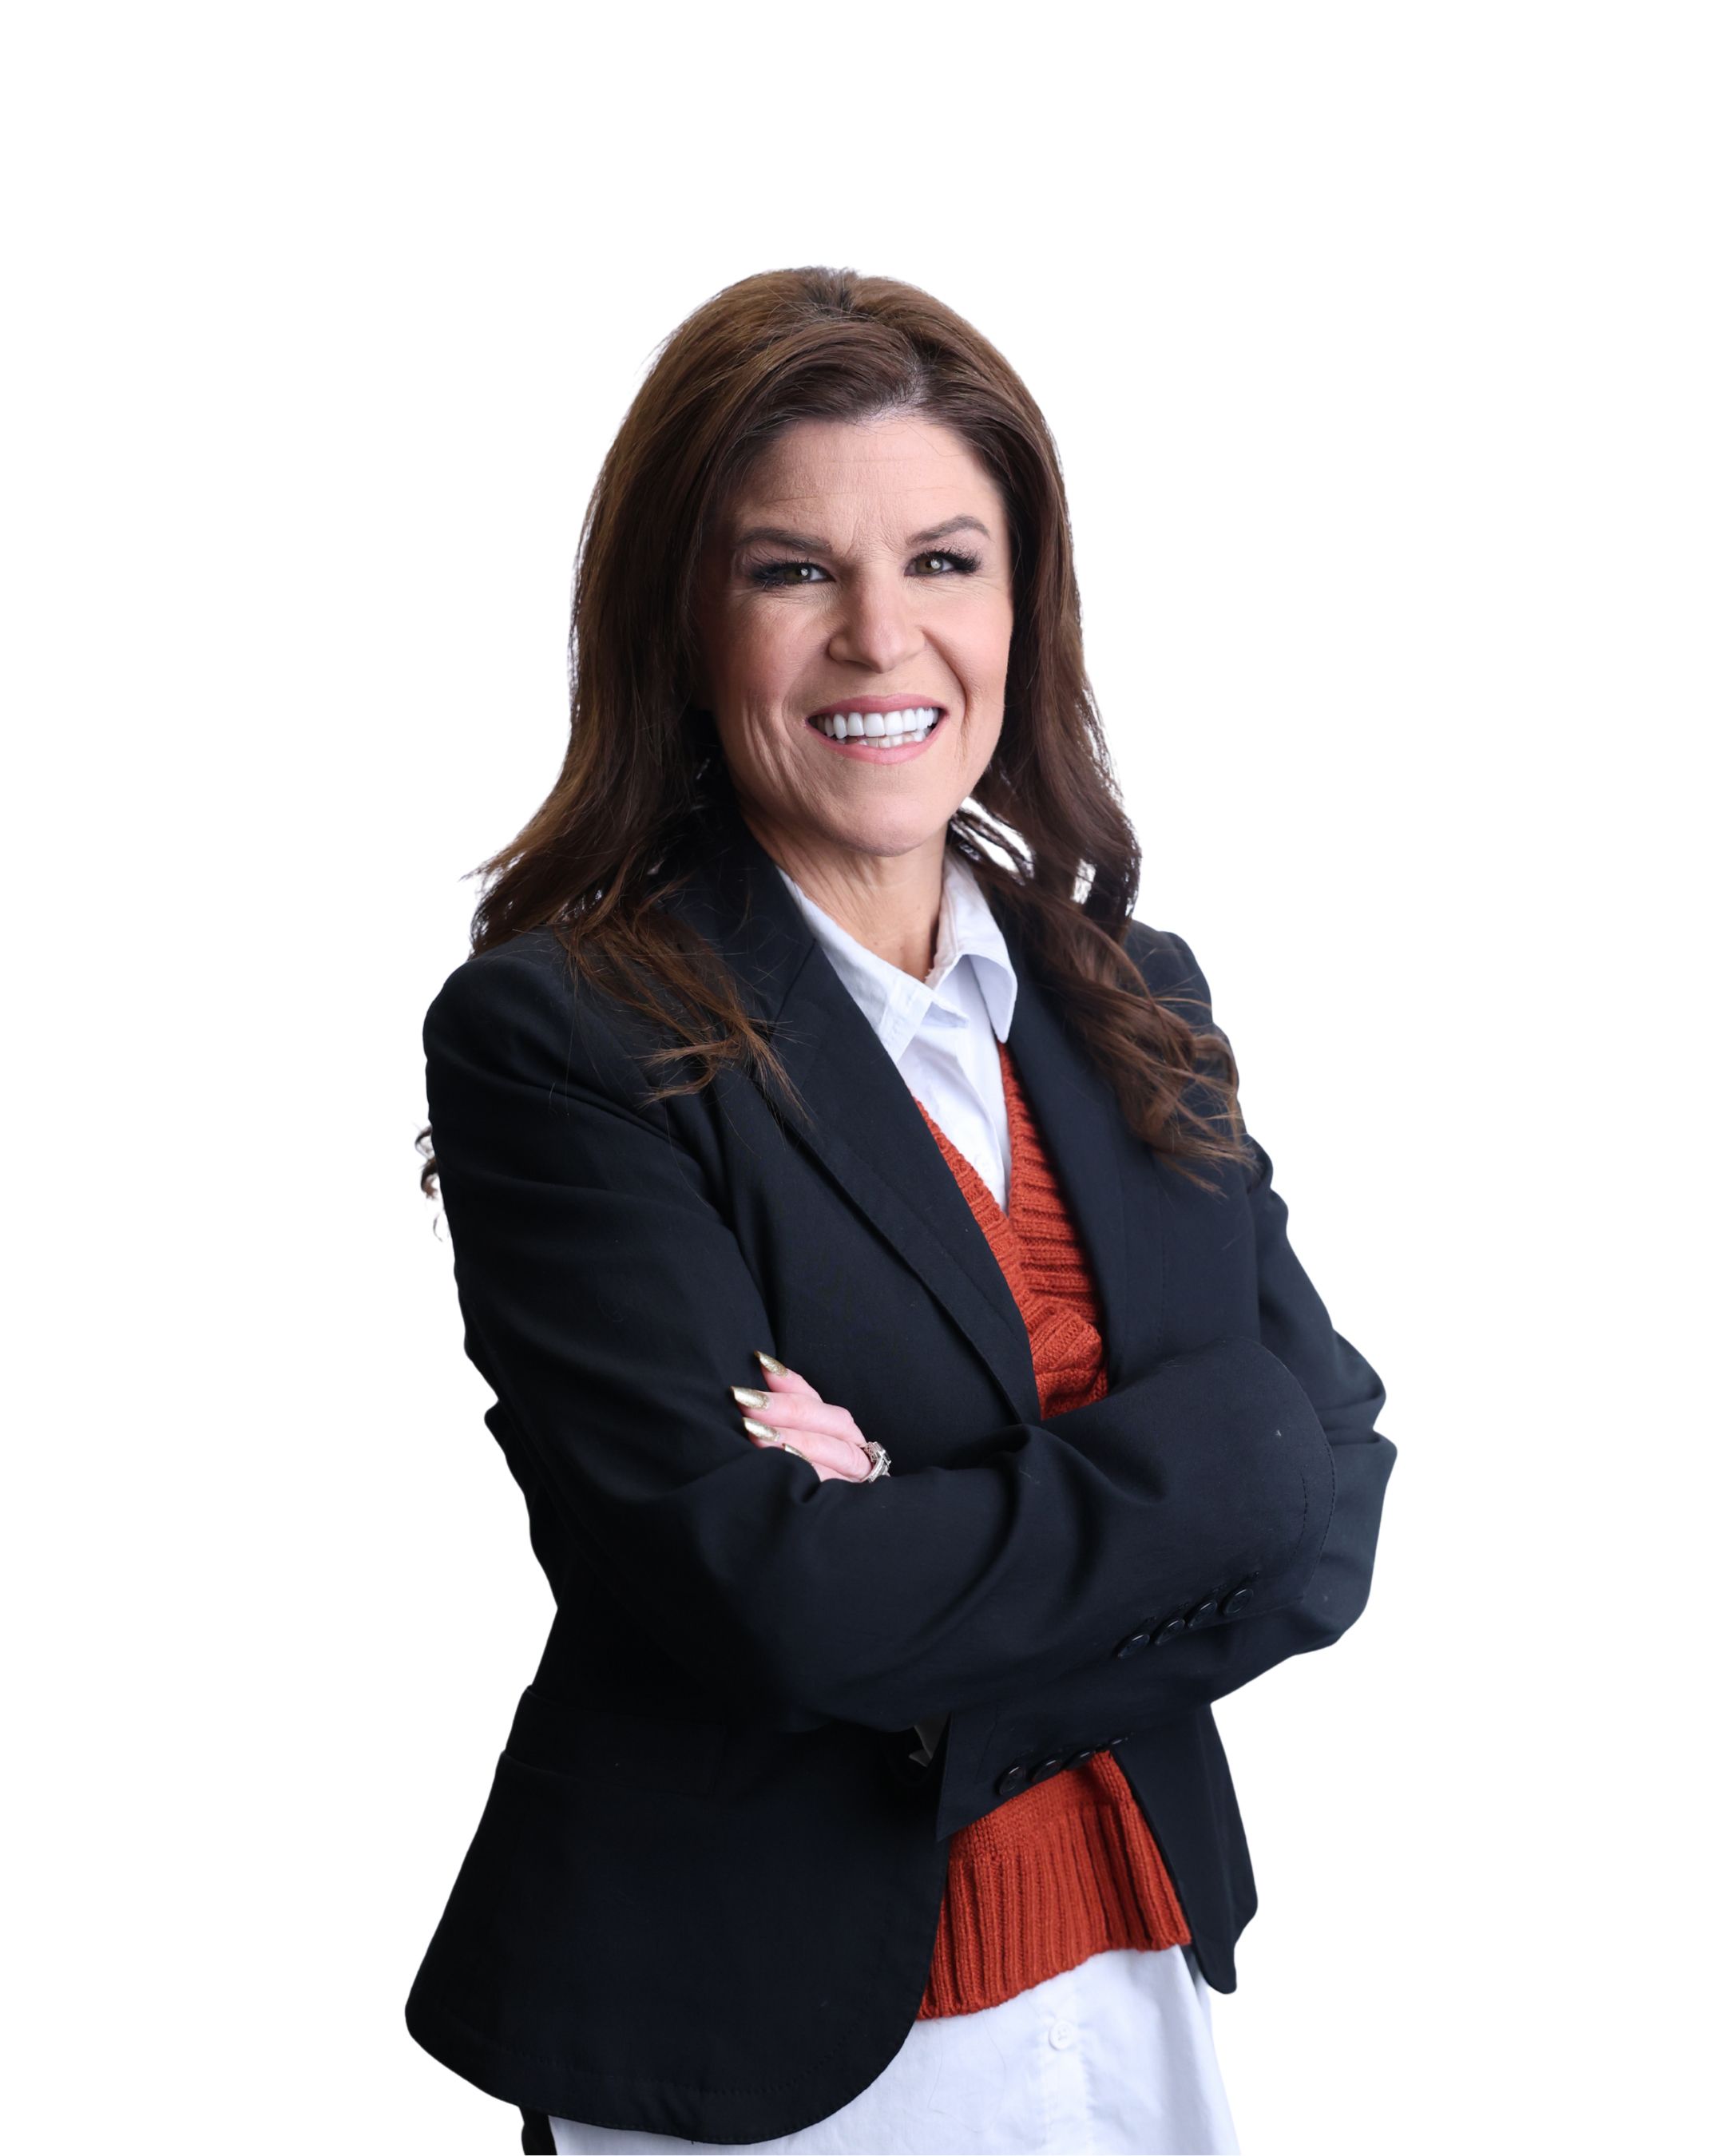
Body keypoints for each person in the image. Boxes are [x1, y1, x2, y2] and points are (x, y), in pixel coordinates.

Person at [405, 265, 1396, 2155]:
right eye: (794, 572)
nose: (882, 638)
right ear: (683, 620)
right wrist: (1189, 1481)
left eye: (945, 561)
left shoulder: (1131, 999)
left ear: (1025, 605)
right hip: (751, 2041)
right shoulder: (563, 1040)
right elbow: (766, 1598)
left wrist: (919, 1536)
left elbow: (1324, 1490)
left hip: (1127, 1966)